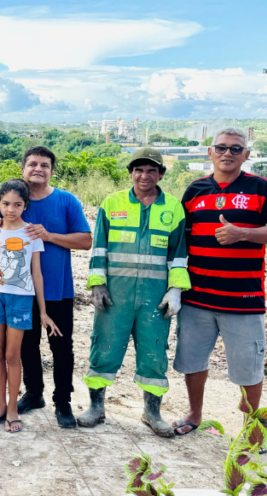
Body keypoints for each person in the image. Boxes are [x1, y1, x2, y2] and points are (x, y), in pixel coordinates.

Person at [172, 128, 267, 437]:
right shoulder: (194, 190)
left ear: (246, 155)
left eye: (236, 149)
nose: (228, 153)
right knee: (192, 362)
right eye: (221, 147)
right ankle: (195, 414)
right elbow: (181, 240)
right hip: (196, 299)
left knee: (248, 369)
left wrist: (243, 233)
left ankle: (252, 430)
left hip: (243, 301)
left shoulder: (262, 189)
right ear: (209, 152)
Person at [77, 148, 190, 437]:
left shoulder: (174, 208)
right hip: (115, 296)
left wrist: (175, 289)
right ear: (130, 173)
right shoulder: (112, 203)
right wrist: (97, 285)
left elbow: (178, 255)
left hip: (154, 298)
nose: (144, 175)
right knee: (104, 348)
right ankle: (96, 407)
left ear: (161, 174)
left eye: (151, 170)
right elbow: (99, 248)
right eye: (139, 169)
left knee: (154, 353)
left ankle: (152, 412)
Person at [0, 146, 92, 427]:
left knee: (61, 347)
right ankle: (33, 394)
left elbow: (85, 240)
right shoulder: (13, 199)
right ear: (23, 169)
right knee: (25, 348)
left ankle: (63, 402)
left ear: (51, 171)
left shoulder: (66, 201)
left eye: (44, 165)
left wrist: (49, 235)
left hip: (57, 289)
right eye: (32, 164)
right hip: (16, 291)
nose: (38, 169)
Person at [0, 179, 60, 433]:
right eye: (5, 204)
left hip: (21, 300)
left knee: (13, 355)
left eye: (17, 204)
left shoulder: (31, 233)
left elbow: (37, 274)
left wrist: (43, 311)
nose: (11, 209)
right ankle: (0, 405)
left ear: (25, 205)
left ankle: (13, 407)